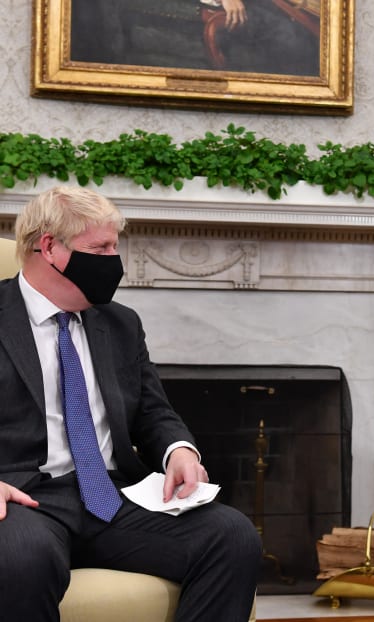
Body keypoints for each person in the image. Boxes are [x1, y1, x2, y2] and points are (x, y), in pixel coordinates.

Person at [0, 186, 262, 621]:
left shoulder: (120, 323)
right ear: (48, 247)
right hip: (22, 498)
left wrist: (179, 450)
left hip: (110, 495)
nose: (112, 262)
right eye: (99, 248)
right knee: (22, 556)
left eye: (115, 247)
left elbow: (153, 411)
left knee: (231, 535)